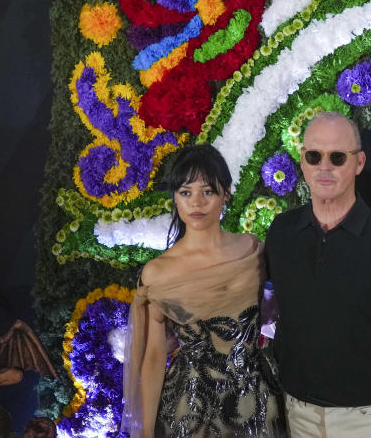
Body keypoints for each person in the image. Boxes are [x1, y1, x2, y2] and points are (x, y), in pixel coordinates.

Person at [265, 112, 371, 438]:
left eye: (337, 157)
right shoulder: (282, 232)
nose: (324, 167)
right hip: (296, 413)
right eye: (314, 156)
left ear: (359, 163)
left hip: (368, 417)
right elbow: (264, 318)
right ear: (302, 162)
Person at [121, 144, 284, 438]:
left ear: (226, 194)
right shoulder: (158, 272)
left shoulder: (253, 250)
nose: (196, 202)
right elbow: (155, 355)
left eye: (207, 191)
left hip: (256, 402)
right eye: (186, 192)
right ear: (175, 197)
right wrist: (145, 431)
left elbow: (272, 320)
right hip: (191, 409)